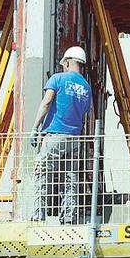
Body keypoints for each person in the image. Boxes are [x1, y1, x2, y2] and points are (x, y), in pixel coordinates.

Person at [30, 46, 92, 224]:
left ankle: (38, 218)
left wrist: (35, 128)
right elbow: (85, 113)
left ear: (67, 62)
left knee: (43, 175)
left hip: (55, 136)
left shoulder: (58, 78)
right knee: (70, 180)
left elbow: (47, 102)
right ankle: (68, 219)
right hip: (74, 138)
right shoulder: (86, 87)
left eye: (64, 63)